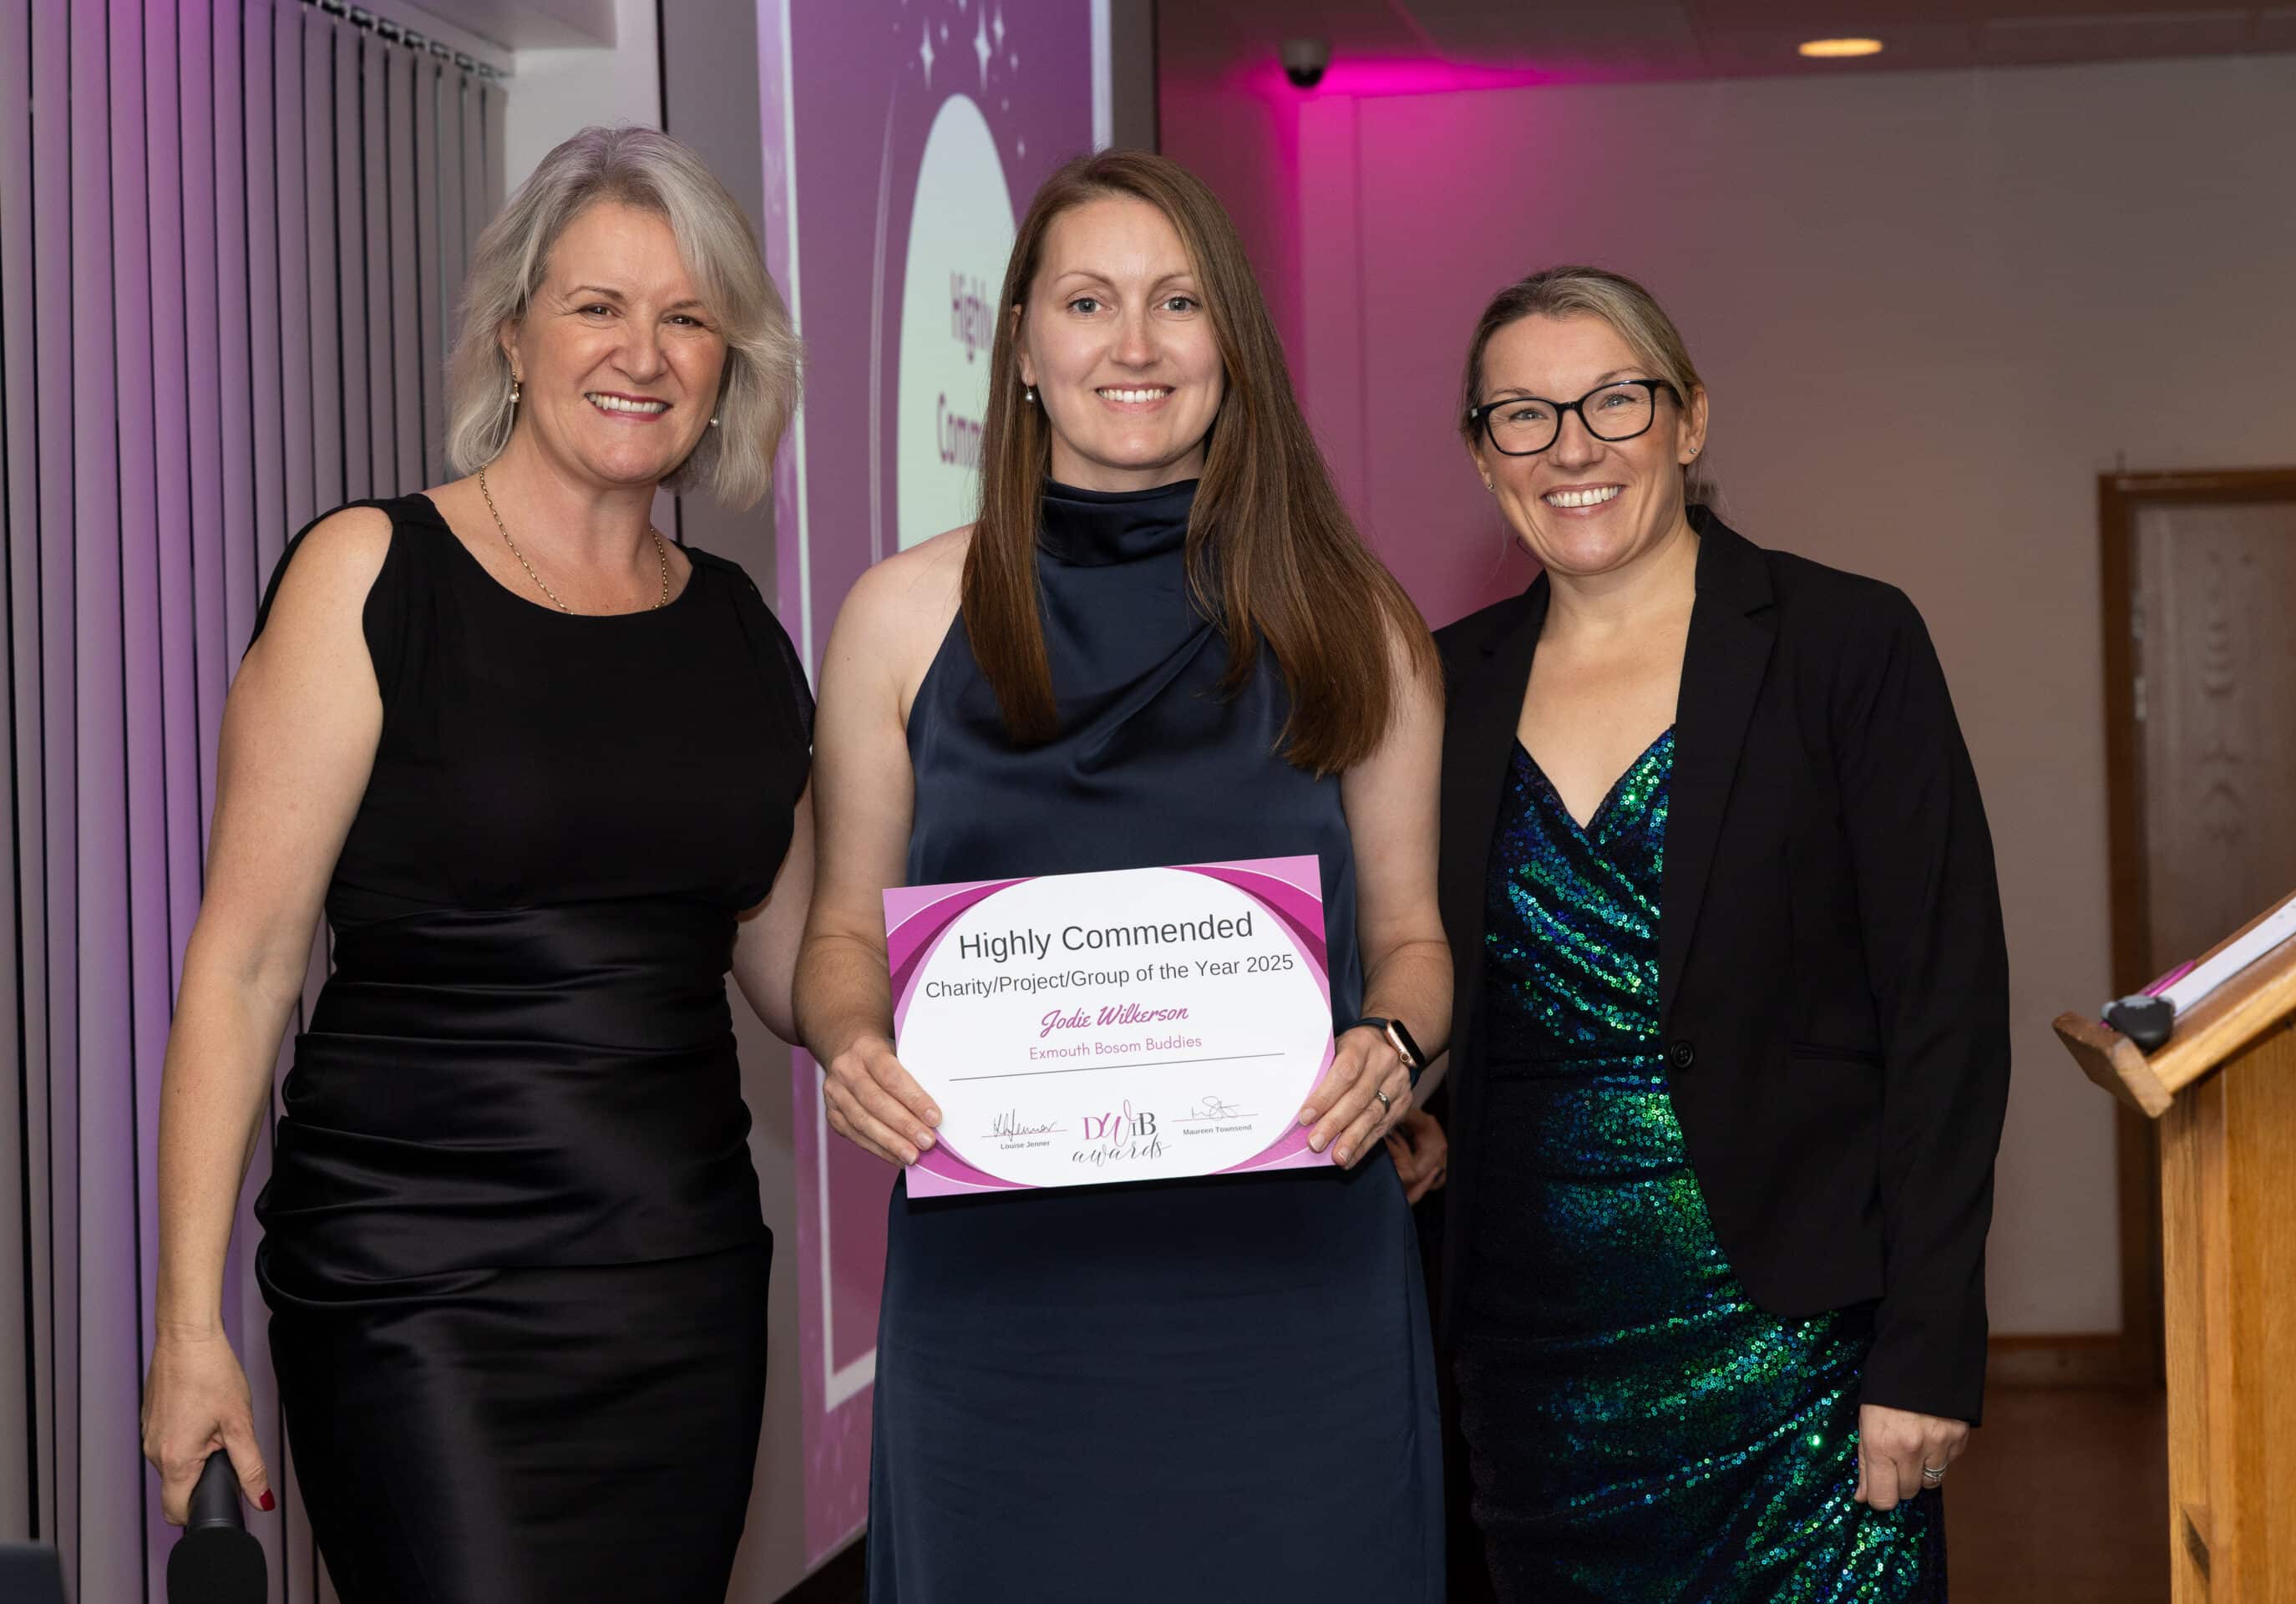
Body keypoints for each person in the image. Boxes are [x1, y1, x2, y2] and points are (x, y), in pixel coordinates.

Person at [140, 126, 811, 1601]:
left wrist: (1069, 1001)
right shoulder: (373, 576)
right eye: (597, 306)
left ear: (726, 364)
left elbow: (799, 965)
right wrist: (190, 1326)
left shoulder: (741, 631)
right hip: (416, 1282)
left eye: (687, 315)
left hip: (679, 1287)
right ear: (512, 329)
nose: (643, 350)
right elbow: (243, 968)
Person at [797, 150, 1450, 1602]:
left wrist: (1394, 1046)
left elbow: (1413, 945)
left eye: (1178, 302)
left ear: (1235, 347)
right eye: (1089, 301)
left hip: (1291, 1297)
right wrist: (850, 1041)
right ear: (1021, 339)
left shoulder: (1359, 623)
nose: (1136, 345)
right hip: (1004, 1314)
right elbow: (839, 928)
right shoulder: (902, 616)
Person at [1431, 266, 2008, 1601]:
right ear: (1482, 456)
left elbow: (1947, 1013)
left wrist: (1926, 1351)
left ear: (1688, 422)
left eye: (1612, 401)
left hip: (1802, 1358)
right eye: (1523, 414)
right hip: (1532, 1366)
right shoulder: (1436, 681)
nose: (1571, 447)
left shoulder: (1845, 644)